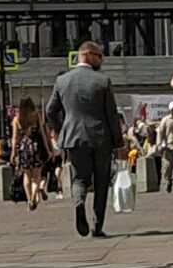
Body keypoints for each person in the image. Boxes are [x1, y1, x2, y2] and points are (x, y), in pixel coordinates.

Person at [49, 43, 128, 239]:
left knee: (80, 178)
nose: (101, 61)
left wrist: (61, 129)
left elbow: (50, 111)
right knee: (102, 181)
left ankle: (79, 203)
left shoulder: (62, 81)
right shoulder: (102, 81)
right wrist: (118, 141)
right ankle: (97, 225)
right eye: (99, 57)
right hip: (101, 139)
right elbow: (111, 114)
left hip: (74, 138)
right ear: (88, 55)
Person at [9, 98, 52, 210]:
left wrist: (13, 152)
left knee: (27, 175)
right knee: (37, 175)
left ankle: (29, 199)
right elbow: (42, 133)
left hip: (24, 148)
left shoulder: (17, 119)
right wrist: (48, 149)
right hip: (35, 146)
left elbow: (14, 138)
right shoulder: (36, 115)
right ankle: (34, 195)